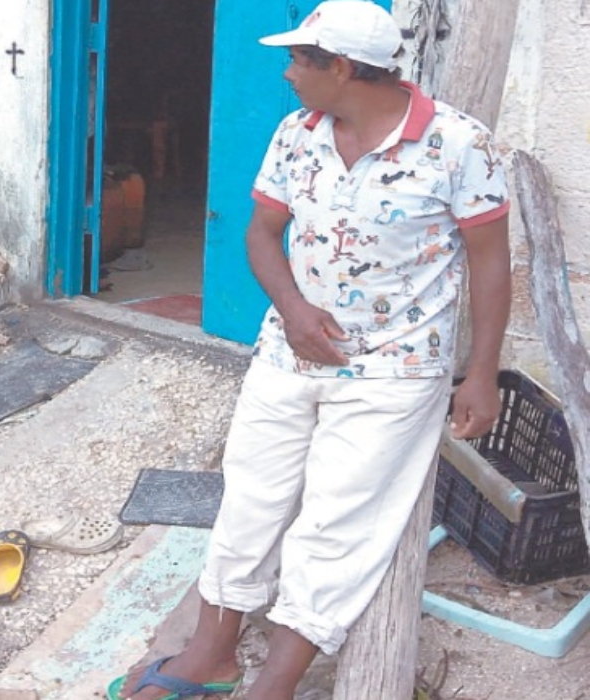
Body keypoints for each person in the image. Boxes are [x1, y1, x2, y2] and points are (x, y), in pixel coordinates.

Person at [110, 2, 511, 699]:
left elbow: (491, 261)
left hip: (395, 368)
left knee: (339, 525)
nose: (289, 73)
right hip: (286, 355)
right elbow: (263, 234)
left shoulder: (458, 143)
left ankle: (277, 685)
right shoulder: (298, 133)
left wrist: (482, 373)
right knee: (251, 498)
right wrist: (294, 312)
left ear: (345, 68)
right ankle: (212, 654)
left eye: (300, 59)